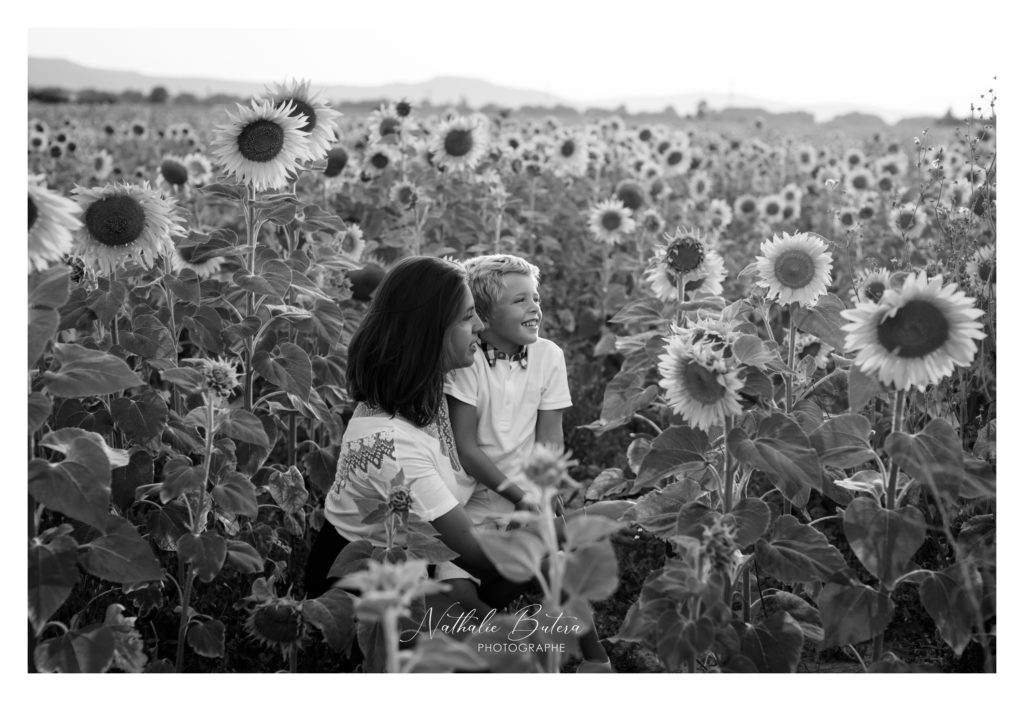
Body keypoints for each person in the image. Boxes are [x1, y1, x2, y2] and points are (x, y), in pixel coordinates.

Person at [304, 256, 522, 620]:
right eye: (468, 317)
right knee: (497, 642)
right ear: (429, 333)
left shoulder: (432, 384)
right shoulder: (390, 442)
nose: (481, 326)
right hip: (363, 585)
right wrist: (581, 524)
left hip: (422, 555)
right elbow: (480, 558)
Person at [441, 254, 612, 671]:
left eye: (535, 298)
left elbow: (549, 437)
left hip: (528, 499)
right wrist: (517, 497)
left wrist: (540, 497)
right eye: (520, 300)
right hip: (468, 505)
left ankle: (598, 664)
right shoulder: (469, 360)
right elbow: (467, 447)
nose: (535, 307)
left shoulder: (548, 356)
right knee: (459, 607)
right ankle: (525, 635)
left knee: (557, 562)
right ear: (483, 314)